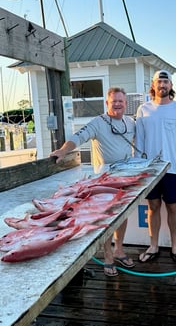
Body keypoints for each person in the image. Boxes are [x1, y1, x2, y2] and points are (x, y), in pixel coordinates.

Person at [50, 87, 136, 276]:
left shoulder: (130, 122)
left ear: (126, 103)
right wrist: (63, 151)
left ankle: (119, 249)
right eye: (114, 101)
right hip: (104, 180)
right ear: (107, 103)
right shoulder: (98, 123)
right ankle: (107, 256)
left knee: (123, 215)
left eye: (121, 101)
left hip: (125, 177)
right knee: (106, 217)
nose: (118, 104)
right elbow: (78, 137)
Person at [135, 70, 176, 265]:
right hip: (150, 170)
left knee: (173, 207)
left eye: (166, 81)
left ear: (171, 85)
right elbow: (140, 143)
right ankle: (153, 245)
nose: (162, 85)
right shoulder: (143, 109)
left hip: (173, 169)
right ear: (153, 85)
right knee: (153, 207)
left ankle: (175, 246)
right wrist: (138, 170)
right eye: (159, 81)